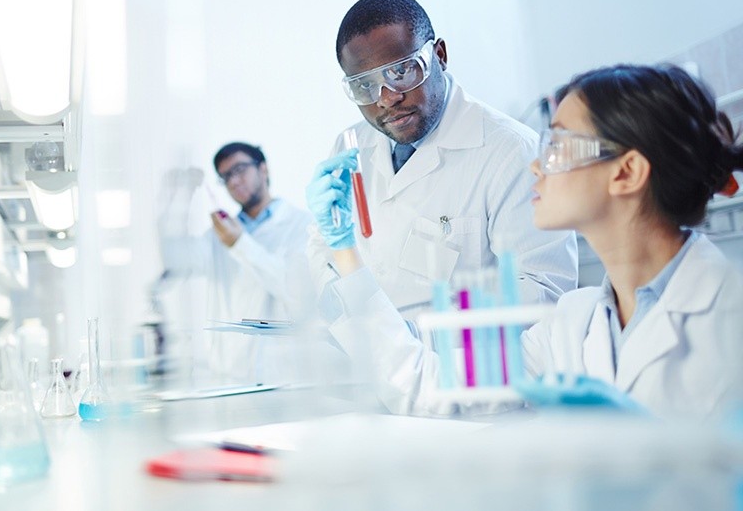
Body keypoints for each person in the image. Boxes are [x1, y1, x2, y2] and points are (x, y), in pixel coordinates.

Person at [307, 64, 743, 420]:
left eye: (558, 145)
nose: (536, 164)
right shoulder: (573, 324)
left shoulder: (730, 312)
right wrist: (345, 253)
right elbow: (429, 387)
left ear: (626, 172)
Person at [307, 0, 578, 323]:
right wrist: (344, 320)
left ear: (439, 55)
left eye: (402, 70)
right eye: (365, 86)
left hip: (463, 368)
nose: (388, 98)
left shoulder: (510, 151)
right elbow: (324, 251)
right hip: (370, 364)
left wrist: (421, 340)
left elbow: (545, 292)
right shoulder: (350, 147)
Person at [158, 142, 313, 383]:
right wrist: (180, 197)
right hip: (228, 376)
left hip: (281, 377)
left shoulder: (301, 226)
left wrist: (240, 243)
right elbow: (175, 258)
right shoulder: (217, 236)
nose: (233, 182)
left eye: (240, 169)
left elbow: (296, 292)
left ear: (263, 169)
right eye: (225, 176)